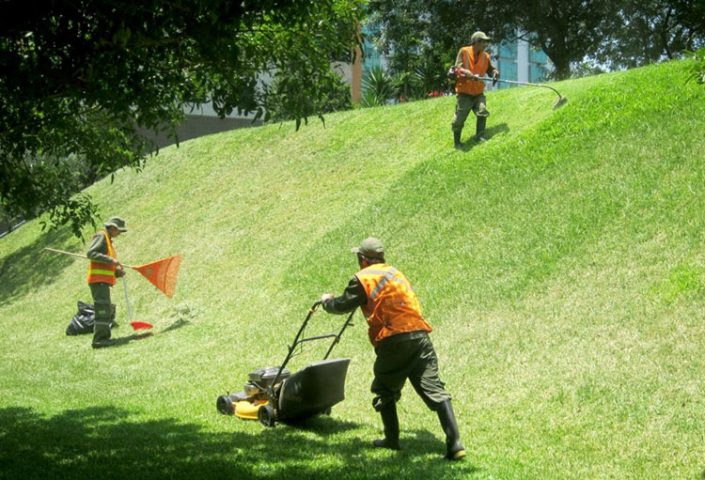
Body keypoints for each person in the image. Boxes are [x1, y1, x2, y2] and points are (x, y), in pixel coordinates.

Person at [320, 237, 466, 460]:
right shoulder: (395, 273)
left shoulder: (363, 278)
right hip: (419, 335)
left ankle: (391, 439)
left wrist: (327, 301)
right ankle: (455, 443)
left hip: (394, 339)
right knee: (433, 388)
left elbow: (341, 305)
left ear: (362, 259)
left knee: (384, 389)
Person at [451, 31, 500, 147]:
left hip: (478, 93)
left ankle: (480, 136)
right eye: (484, 42)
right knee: (459, 120)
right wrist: (467, 72)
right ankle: (457, 142)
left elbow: (490, 69)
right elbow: (457, 68)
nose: (486, 45)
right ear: (476, 42)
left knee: (482, 112)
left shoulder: (486, 56)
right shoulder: (464, 51)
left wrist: (494, 73)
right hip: (465, 93)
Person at [87, 216, 127, 349]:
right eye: (119, 231)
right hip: (98, 281)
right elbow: (91, 253)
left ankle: (103, 338)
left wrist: (116, 273)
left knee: (106, 308)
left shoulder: (108, 240)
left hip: (103, 281)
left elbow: (104, 264)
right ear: (113, 228)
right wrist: (111, 261)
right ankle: (100, 340)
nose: (119, 234)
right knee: (103, 309)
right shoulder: (101, 236)